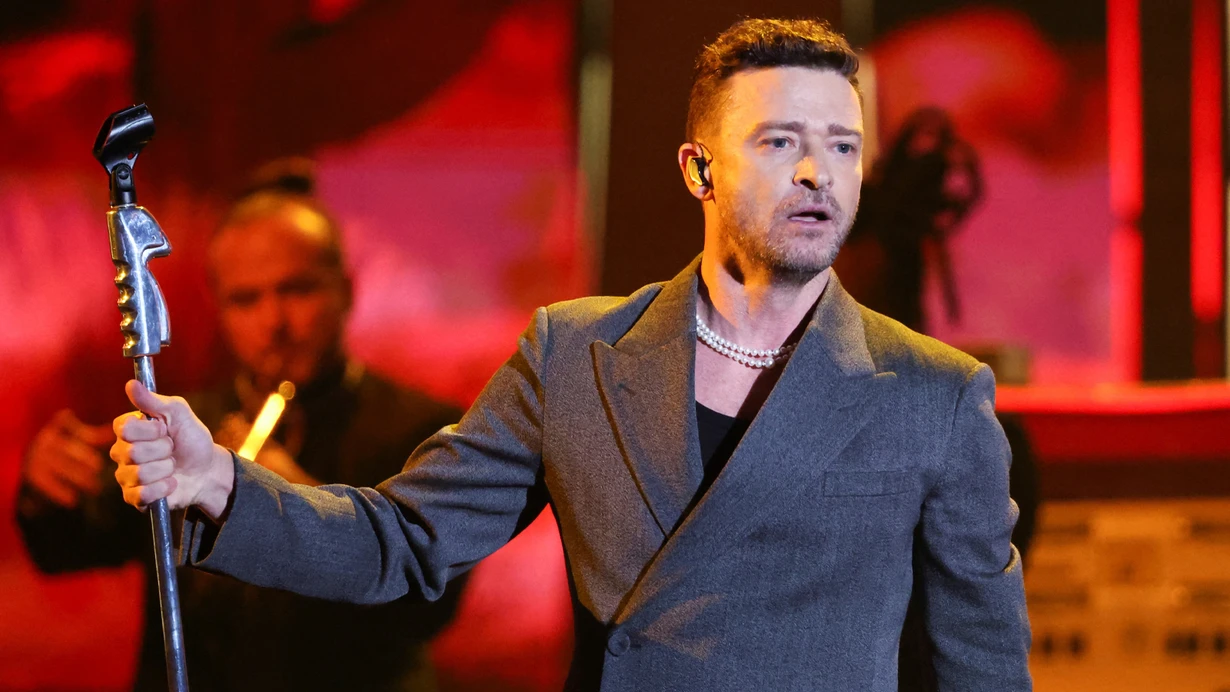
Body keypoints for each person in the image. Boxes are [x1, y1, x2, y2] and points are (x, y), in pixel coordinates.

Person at [111, 19, 1032, 691]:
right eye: (779, 141)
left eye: (843, 146)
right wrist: (221, 482)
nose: (815, 172)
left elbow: (982, 669)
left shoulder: (936, 397)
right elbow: (404, 541)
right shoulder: (577, 354)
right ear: (698, 169)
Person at [18, 160, 463, 691]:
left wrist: (295, 500)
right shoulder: (184, 421)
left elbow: (429, 607)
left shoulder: (425, 429)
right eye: (246, 299)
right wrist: (46, 486)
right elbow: (66, 547)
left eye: (297, 290)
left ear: (346, 290)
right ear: (220, 309)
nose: (274, 323)